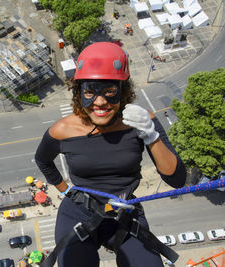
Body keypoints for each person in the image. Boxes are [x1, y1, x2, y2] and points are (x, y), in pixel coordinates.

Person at [34, 42, 186, 267]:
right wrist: (65, 190)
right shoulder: (63, 129)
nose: (100, 102)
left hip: (124, 213)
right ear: (79, 93)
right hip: (78, 212)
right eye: (89, 92)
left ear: (123, 91)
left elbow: (177, 180)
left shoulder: (141, 122)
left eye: (110, 92)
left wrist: (151, 136)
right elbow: (43, 160)